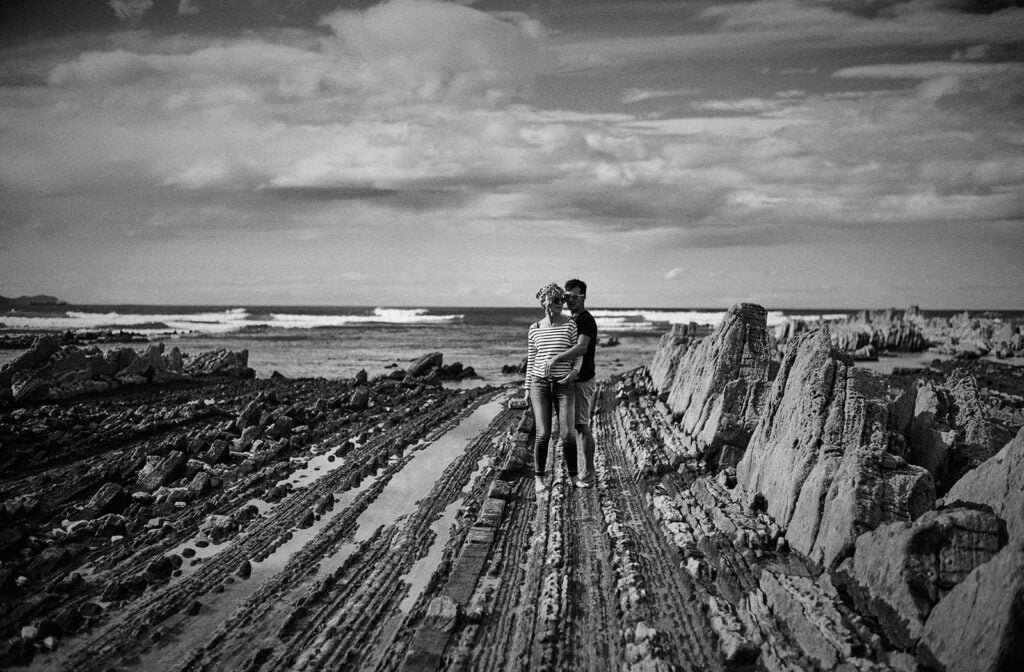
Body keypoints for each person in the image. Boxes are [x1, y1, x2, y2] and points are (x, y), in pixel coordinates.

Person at [525, 283, 582, 494]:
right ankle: (539, 478)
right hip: (539, 385)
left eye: (562, 300)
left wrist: (574, 372)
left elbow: (578, 354)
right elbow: (531, 360)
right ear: (546, 302)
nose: (561, 303)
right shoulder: (534, 328)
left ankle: (574, 476)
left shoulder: (570, 325)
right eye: (557, 300)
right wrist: (527, 388)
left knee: (567, 434)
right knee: (543, 434)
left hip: (564, 385)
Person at [543, 278, 597, 488]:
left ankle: (589, 471)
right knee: (573, 427)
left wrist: (556, 358)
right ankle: (581, 469)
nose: (570, 300)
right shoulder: (572, 319)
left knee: (581, 426)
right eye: (567, 297)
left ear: (584, 297)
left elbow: (582, 347)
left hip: (582, 380)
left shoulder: (585, 320)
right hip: (571, 379)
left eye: (575, 296)